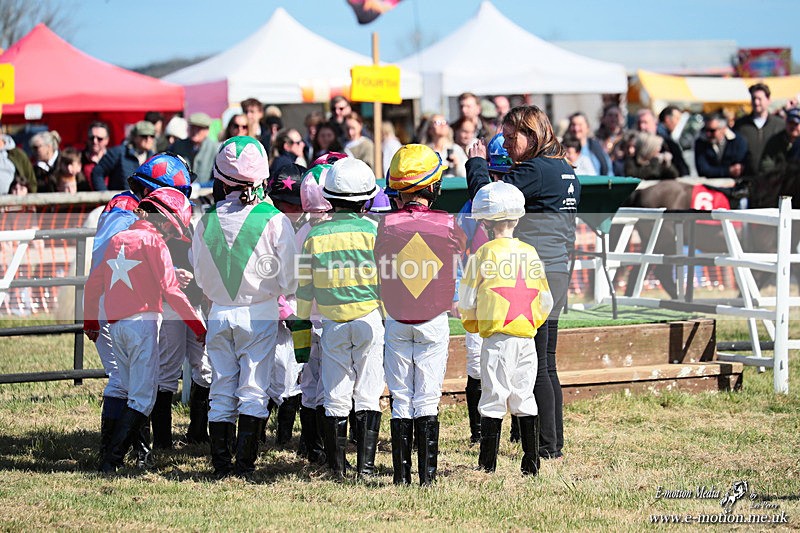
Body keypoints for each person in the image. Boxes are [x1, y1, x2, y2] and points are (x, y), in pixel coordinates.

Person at [467, 105, 580, 461]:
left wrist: (477, 164)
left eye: (511, 136)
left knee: (540, 363)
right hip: (557, 267)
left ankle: (547, 446)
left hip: (532, 272)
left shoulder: (534, 169)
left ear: (531, 134)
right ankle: (552, 441)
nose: (506, 143)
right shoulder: (565, 169)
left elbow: (489, 200)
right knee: (547, 361)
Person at [192, 136, 298, 479]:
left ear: (221, 180)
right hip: (260, 312)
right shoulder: (275, 219)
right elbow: (290, 278)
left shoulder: (204, 221)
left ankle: (221, 465)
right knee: (254, 387)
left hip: (219, 312)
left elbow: (199, 274)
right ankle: (245, 465)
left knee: (221, 386)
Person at [84, 187, 206, 474]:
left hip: (116, 327)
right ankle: (111, 461)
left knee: (127, 390)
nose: (171, 238)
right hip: (143, 325)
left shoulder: (117, 239)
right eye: (172, 232)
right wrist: (197, 326)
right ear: (164, 222)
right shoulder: (155, 243)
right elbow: (171, 291)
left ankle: (140, 457)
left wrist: (90, 321)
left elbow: (93, 283)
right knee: (143, 397)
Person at [376, 144, 466, 485]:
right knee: (427, 396)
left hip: (397, 320)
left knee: (401, 397)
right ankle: (427, 478)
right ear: (434, 187)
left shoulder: (384, 226)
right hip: (434, 320)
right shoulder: (449, 224)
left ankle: (401, 477)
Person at [291, 157, 382, 480]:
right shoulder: (375, 230)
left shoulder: (315, 236)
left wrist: (301, 325)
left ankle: (337, 468)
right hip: (369, 317)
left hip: (331, 322)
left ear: (329, 197)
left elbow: (304, 288)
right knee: (368, 391)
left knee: (336, 393)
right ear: (368, 198)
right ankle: (366, 469)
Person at [458, 181, 552, 475]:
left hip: (496, 338)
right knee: (525, 395)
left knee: (493, 396)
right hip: (526, 337)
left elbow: (467, 299)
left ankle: (488, 465)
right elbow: (545, 299)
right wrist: (530, 323)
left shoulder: (482, 255)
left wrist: (475, 324)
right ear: (517, 218)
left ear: (484, 222)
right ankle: (531, 463)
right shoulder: (530, 252)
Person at [734, 83, 786, 178]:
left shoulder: (780, 125)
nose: (756, 102)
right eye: (753, 98)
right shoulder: (741, 125)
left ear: (768, 100)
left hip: (773, 180)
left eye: (759, 99)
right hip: (747, 179)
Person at [92, 121, 156, 191]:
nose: (148, 139)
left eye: (152, 136)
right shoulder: (117, 153)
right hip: (120, 200)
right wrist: (105, 196)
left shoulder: (154, 158)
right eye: (144, 136)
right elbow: (97, 173)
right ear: (134, 137)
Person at [168, 112, 217, 185]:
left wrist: (199, 187)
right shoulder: (177, 145)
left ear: (207, 131)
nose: (195, 131)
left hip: (206, 193)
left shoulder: (215, 149)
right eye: (192, 127)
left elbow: (217, 179)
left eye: (199, 128)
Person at [694, 114, 748, 178]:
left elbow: (739, 169)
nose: (708, 134)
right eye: (706, 130)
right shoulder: (701, 142)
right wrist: (728, 171)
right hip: (709, 184)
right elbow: (703, 170)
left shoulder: (738, 141)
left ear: (723, 129)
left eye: (712, 131)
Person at [759, 108, 800, 174]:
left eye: (796, 124)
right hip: (778, 180)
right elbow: (766, 164)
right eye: (790, 123)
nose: (793, 127)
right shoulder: (775, 140)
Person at [656, 106, 690, 176]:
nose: (679, 123)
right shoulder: (663, 137)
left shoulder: (666, 135)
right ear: (667, 119)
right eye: (677, 119)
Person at [82, 121, 111, 189]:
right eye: (91, 138)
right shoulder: (79, 159)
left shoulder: (113, 159)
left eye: (99, 139)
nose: (95, 141)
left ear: (107, 140)